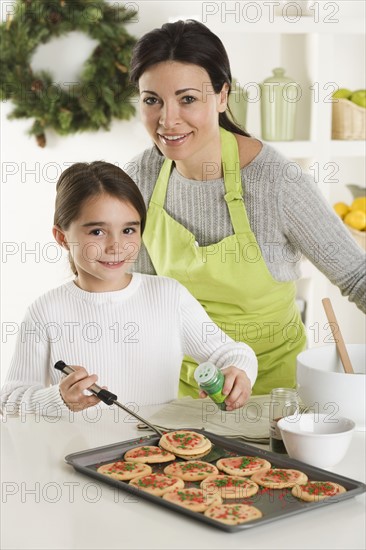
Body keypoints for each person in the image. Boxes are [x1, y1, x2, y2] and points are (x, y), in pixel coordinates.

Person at [125, 19, 366, 397]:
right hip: (178, 394)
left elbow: (357, 277)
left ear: (222, 97)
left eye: (188, 99)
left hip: (275, 398)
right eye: (152, 100)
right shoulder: (139, 179)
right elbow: (135, 295)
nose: (167, 121)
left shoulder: (276, 182)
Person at [0, 162, 258, 416]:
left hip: (155, 453)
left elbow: (230, 352)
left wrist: (238, 371)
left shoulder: (168, 296)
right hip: (74, 456)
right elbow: (9, 401)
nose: (117, 246)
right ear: (62, 237)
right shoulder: (45, 311)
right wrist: (58, 398)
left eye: (128, 230)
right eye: (98, 231)